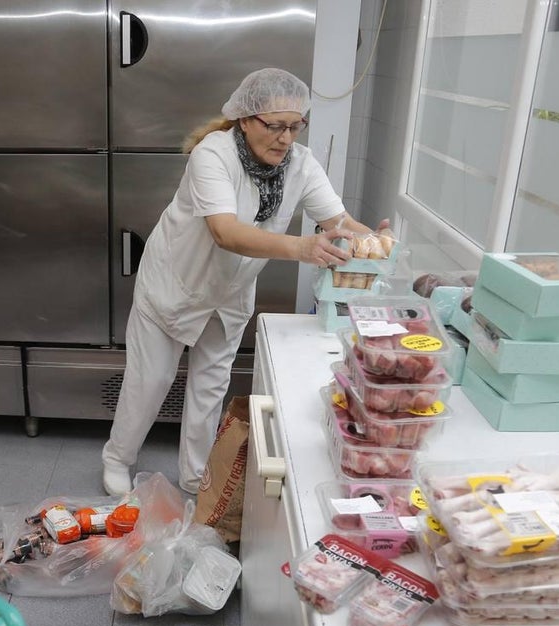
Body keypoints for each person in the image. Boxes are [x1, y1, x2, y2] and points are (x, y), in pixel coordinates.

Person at [102, 67, 390, 496]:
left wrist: (374, 241)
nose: (285, 138)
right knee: (151, 380)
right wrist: (300, 248)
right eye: (274, 126)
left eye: (294, 126)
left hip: (230, 291)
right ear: (245, 118)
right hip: (176, 283)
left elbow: (337, 219)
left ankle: (196, 474)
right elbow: (225, 231)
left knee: (211, 385)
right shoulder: (213, 156)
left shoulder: (301, 164)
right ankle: (117, 457)